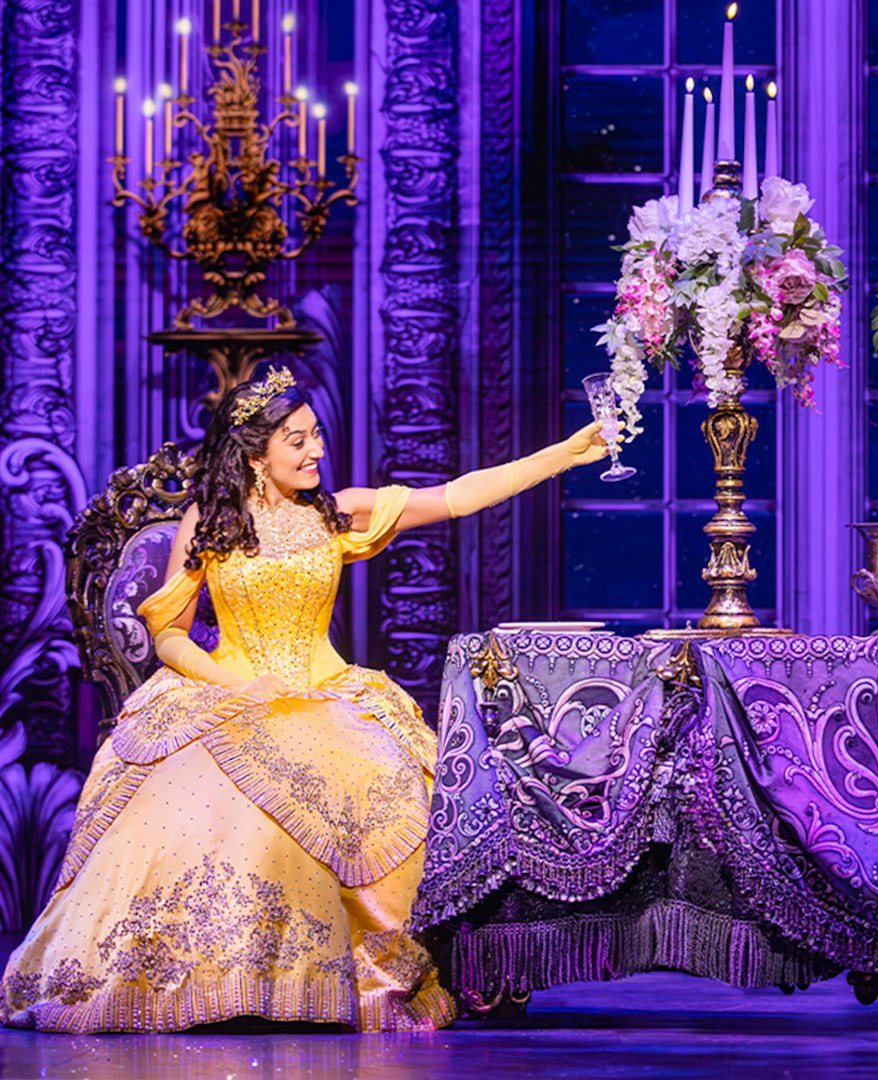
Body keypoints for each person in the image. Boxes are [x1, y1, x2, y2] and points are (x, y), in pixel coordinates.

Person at [1, 366, 608, 1032]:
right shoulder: (212, 521)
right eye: (297, 439)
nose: (315, 448)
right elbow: (168, 635)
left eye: (315, 434)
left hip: (324, 690)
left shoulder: (337, 512)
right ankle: (218, 982)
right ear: (256, 454)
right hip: (226, 687)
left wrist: (563, 455)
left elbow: (457, 496)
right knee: (196, 798)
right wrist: (239, 685)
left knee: (388, 778)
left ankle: (368, 975)